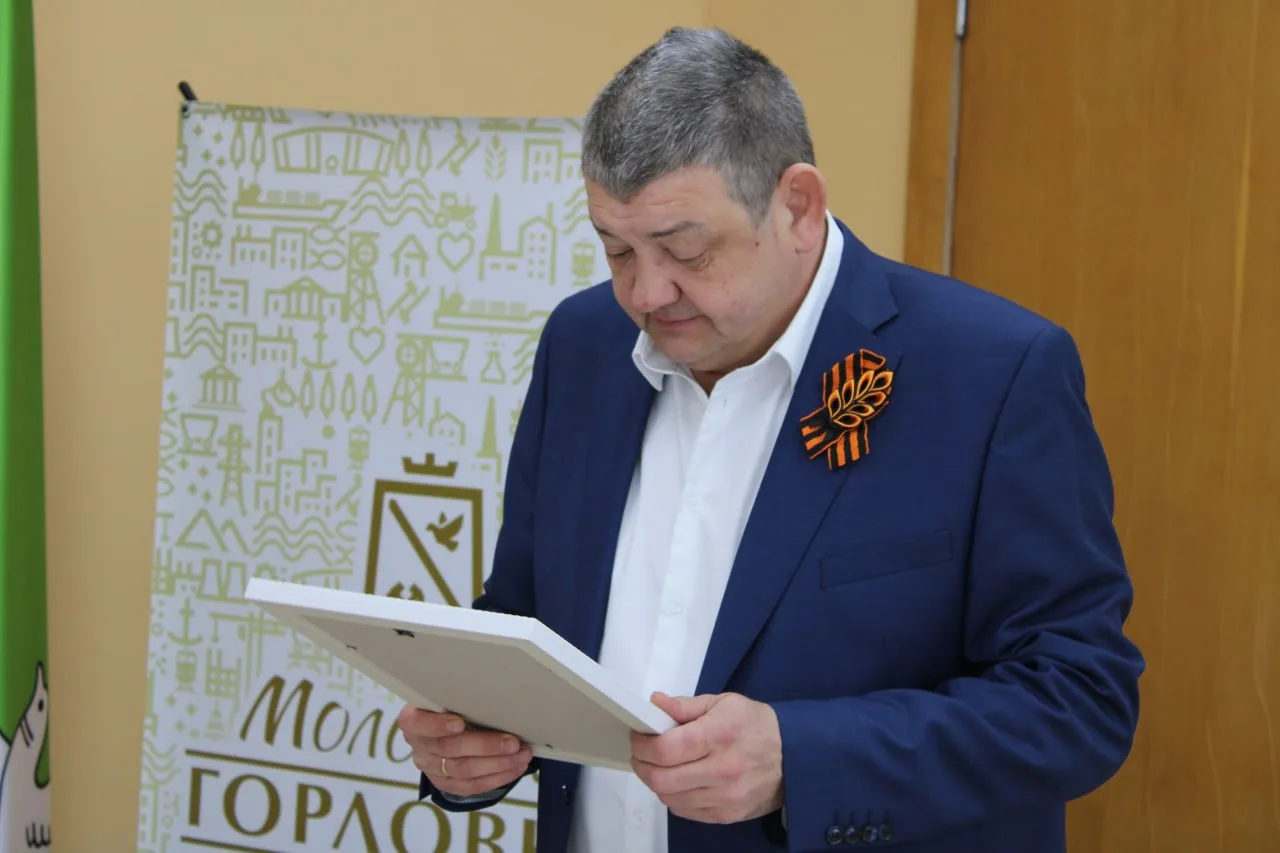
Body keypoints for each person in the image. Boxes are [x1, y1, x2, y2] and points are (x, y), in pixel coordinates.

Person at [397, 26, 1144, 853]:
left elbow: (1079, 699)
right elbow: (528, 618)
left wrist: (801, 758)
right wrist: (472, 741)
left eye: (686, 251)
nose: (646, 293)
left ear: (798, 207)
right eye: (616, 250)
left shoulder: (991, 372)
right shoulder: (583, 345)